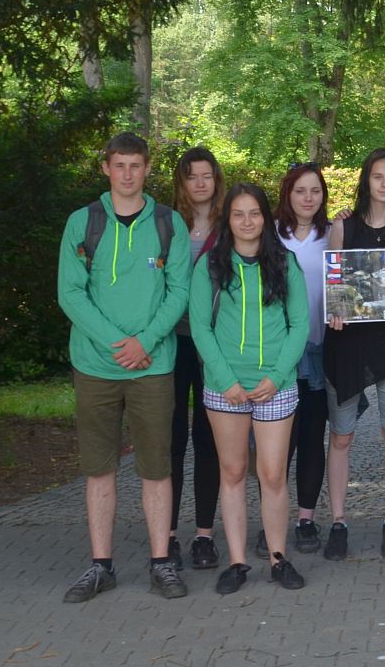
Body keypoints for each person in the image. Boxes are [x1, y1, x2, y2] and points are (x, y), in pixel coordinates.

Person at [56, 132, 191, 603]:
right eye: (119, 165)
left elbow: (180, 291)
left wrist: (145, 342)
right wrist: (119, 344)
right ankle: (101, 566)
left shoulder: (169, 223)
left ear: (148, 168)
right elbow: (70, 293)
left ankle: (161, 562)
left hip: (153, 366)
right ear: (106, 168)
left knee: (156, 468)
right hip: (96, 365)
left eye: (136, 165)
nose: (128, 174)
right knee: (99, 469)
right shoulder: (82, 222)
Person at [190, 182, 313, 594]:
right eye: (238, 214)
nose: (247, 222)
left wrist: (276, 377)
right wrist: (226, 380)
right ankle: (237, 561)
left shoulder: (285, 263)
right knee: (233, 472)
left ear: (266, 217)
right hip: (225, 388)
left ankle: (278, 558)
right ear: (227, 219)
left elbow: (300, 325)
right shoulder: (210, 265)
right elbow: (200, 328)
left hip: (274, 386)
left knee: (273, 474)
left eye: (254, 213)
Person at [320, 149, 385, 560]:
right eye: (378, 176)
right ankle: (338, 521)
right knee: (340, 436)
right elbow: (334, 286)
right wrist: (335, 311)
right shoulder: (343, 227)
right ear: (367, 180)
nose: (384, 184)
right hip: (346, 346)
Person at [168, 146, 224, 572]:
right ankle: (166, 533)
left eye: (207, 175)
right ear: (182, 183)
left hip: (215, 346)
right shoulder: (167, 226)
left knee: (208, 440)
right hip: (171, 343)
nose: (200, 183)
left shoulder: (230, 226)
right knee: (171, 441)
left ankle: (204, 534)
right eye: (192, 176)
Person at [276, 163, 332, 555]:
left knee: (312, 437)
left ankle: (306, 519)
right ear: (288, 194)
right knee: (279, 444)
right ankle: (273, 519)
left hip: (320, 349)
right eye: (300, 191)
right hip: (279, 354)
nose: (308, 198)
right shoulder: (270, 235)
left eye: (315, 191)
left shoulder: (332, 234)